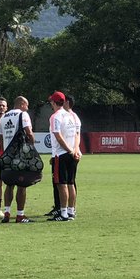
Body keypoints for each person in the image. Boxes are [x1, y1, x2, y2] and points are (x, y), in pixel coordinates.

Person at [0, 96, 34, 223]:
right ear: (22, 104)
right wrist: (32, 147)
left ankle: (7, 213)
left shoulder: (3, 117)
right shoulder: (23, 115)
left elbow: (0, 139)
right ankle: (20, 215)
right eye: (27, 105)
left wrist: (4, 153)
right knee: (22, 185)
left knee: (9, 185)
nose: (27, 108)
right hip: (20, 155)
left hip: (7, 155)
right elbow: (29, 133)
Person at [47, 91, 80, 221]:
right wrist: (75, 150)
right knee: (71, 183)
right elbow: (76, 134)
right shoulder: (70, 115)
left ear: (54, 102)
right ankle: (71, 211)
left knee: (62, 184)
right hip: (72, 153)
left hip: (61, 154)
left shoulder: (55, 117)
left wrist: (69, 150)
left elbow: (58, 136)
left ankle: (63, 213)